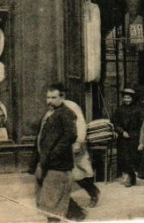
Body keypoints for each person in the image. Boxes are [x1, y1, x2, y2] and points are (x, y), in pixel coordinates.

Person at [29, 83, 83, 222]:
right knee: (48, 202)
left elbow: (70, 135)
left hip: (58, 166)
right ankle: (77, 214)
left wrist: (54, 154)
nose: (49, 101)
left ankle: (75, 215)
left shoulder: (66, 113)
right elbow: (41, 137)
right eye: (48, 97)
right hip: (46, 163)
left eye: (53, 97)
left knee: (53, 205)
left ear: (62, 97)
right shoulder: (49, 113)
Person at [63, 96, 100, 208]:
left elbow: (80, 124)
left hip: (75, 145)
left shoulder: (71, 106)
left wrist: (78, 142)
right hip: (61, 147)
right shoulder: (52, 108)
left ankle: (93, 193)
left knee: (79, 174)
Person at [112, 88, 144, 187]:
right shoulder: (119, 109)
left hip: (135, 137)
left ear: (133, 98)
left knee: (134, 157)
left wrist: (140, 136)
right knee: (125, 158)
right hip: (123, 138)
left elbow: (143, 123)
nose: (126, 100)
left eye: (129, 98)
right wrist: (122, 132)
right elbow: (115, 123)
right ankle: (130, 177)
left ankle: (133, 176)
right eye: (125, 98)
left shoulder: (138, 110)